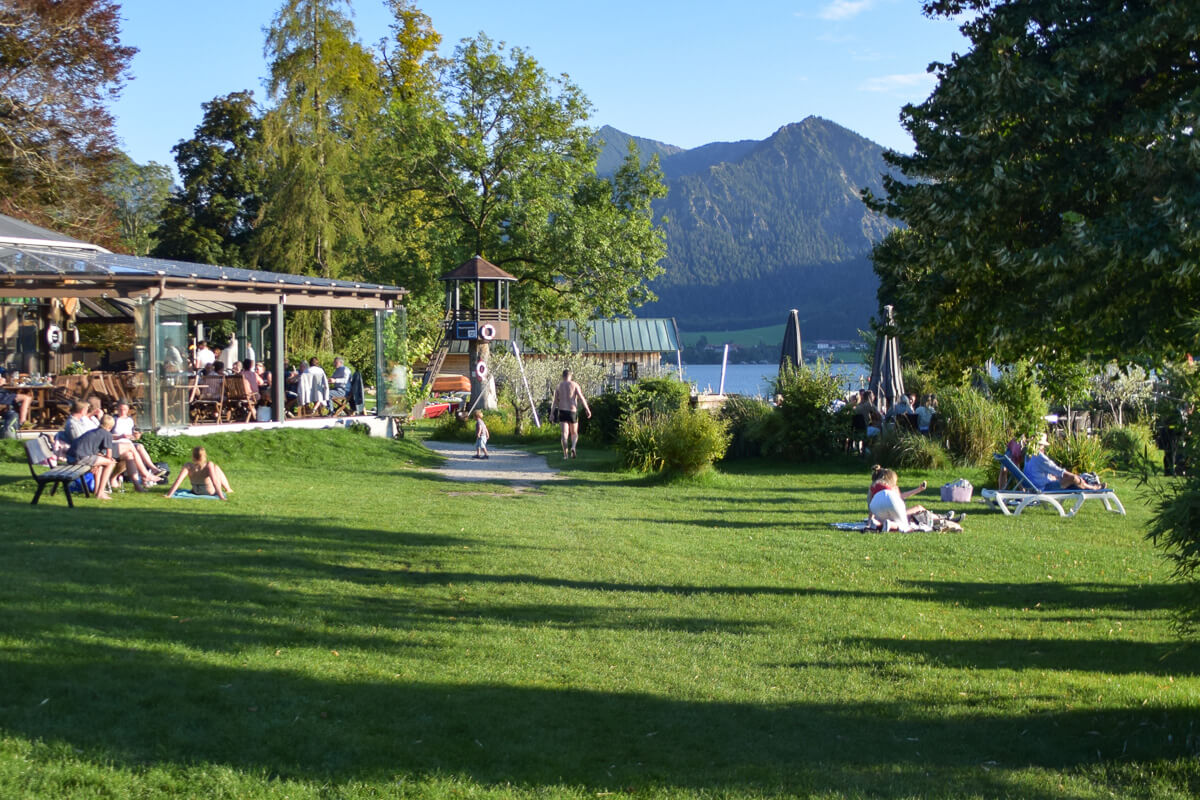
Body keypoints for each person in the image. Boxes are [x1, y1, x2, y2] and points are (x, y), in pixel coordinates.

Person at [1024, 433, 1104, 490]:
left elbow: (1038, 472)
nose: (1044, 448)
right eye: (1043, 446)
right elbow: (1059, 471)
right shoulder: (1040, 457)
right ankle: (1092, 487)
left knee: (1067, 478)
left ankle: (1086, 483)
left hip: (1033, 485)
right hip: (1043, 487)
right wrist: (1075, 476)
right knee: (1073, 478)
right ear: (1041, 446)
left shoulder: (1029, 455)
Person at [68, 413, 119, 500]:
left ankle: (96, 490)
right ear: (110, 427)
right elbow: (109, 456)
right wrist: (109, 459)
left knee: (100, 465)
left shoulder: (92, 431)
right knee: (110, 463)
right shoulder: (107, 434)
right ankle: (100, 492)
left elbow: (92, 450)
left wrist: (98, 463)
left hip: (72, 457)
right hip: (81, 458)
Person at [867, 467, 931, 532]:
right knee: (904, 525)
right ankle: (890, 524)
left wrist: (869, 521)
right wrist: (918, 490)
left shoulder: (872, 486)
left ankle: (876, 523)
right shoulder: (892, 486)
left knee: (883, 520)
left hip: (875, 505)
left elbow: (870, 506)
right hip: (891, 501)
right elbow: (900, 496)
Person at [165, 446, 232, 500]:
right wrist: (221, 497)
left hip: (195, 491)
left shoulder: (188, 466)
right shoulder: (208, 465)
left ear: (193, 456)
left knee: (215, 468)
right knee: (216, 468)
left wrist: (169, 495)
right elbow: (215, 482)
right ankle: (228, 489)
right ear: (204, 456)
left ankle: (228, 489)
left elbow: (178, 481)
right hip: (209, 492)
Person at [552, 369, 591, 458]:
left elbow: (555, 401)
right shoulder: (575, 385)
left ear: (563, 376)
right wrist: (587, 409)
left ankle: (565, 455)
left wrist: (552, 413)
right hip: (572, 411)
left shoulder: (559, 386)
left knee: (564, 434)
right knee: (574, 433)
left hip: (562, 411)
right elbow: (581, 398)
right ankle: (573, 447)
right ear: (570, 376)